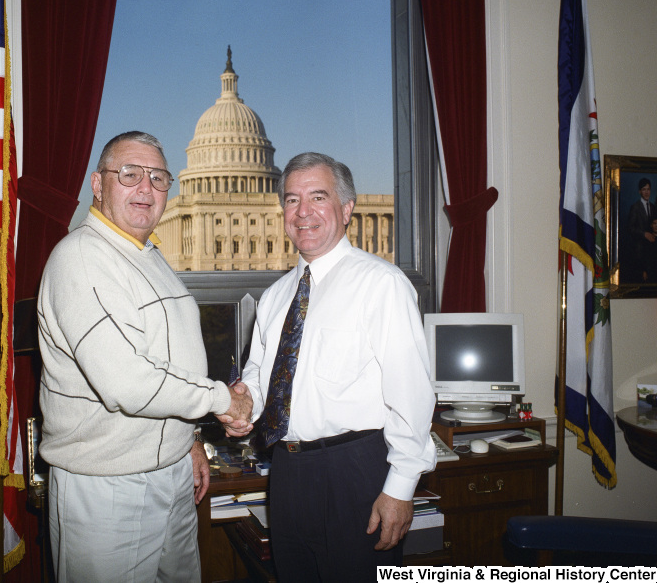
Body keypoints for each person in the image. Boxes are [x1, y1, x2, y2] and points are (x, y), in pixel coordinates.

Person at [37, 131, 252, 582]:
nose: (146, 188)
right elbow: (128, 382)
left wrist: (189, 436)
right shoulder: (81, 258)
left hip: (170, 474)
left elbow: (171, 362)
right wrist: (220, 401)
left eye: (157, 178)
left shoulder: (146, 255)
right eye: (129, 174)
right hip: (108, 486)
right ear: (98, 185)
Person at [226, 152, 436, 581]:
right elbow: (262, 374)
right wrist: (243, 404)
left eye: (317, 197)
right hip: (286, 474)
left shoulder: (382, 284)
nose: (302, 212)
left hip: (354, 472)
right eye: (291, 200)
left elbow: (412, 395)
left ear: (346, 209)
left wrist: (399, 488)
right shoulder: (276, 296)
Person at [626, 178, 656, 283]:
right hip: (639, 249)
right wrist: (644, 234)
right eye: (644, 189)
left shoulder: (653, 207)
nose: (646, 192)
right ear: (639, 191)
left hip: (651, 249)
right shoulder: (635, 207)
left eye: (648, 189)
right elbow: (630, 228)